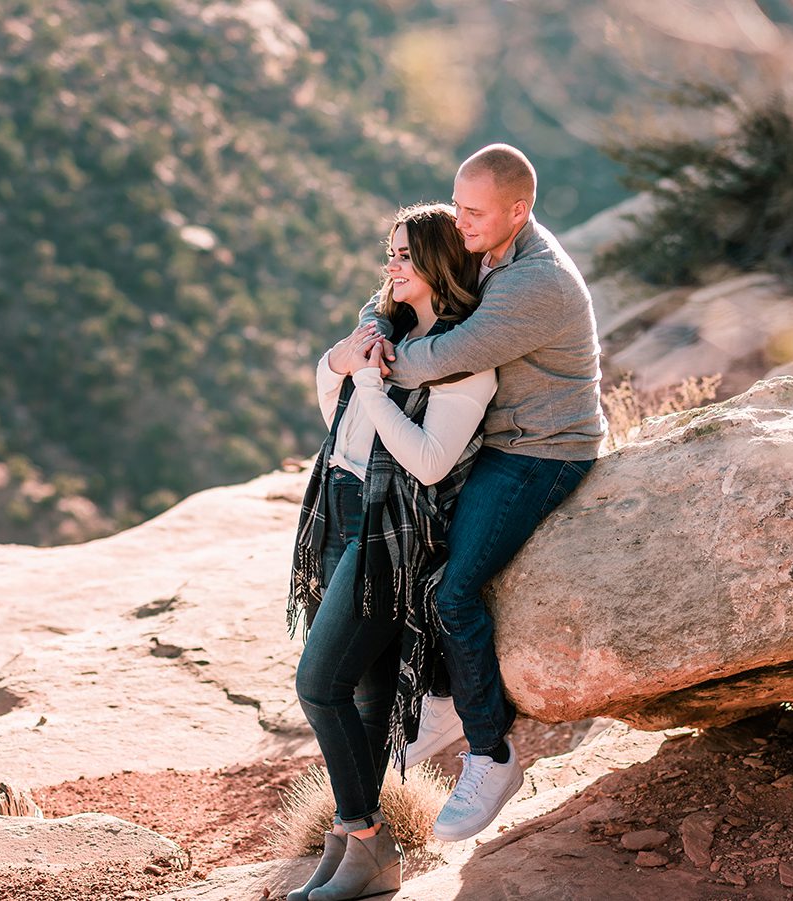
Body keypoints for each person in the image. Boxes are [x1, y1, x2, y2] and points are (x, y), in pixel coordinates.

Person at [361, 144, 606, 842]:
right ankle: (439, 698)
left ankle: (491, 753)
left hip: (540, 449)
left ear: (517, 211)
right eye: (458, 204)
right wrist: (378, 326)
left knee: (456, 590)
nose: (459, 223)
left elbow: (447, 356)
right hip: (491, 438)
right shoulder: (484, 245)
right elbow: (405, 281)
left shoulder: (537, 281)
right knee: (417, 548)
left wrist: (376, 365)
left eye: (473, 212)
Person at [286, 203, 497, 901]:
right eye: (390, 252)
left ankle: (368, 835)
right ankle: (351, 847)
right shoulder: (387, 328)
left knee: (319, 684)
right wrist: (339, 362)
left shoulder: (463, 360)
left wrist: (371, 382)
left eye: (404, 254)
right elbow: (338, 418)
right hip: (345, 505)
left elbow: (430, 462)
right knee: (368, 691)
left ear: (436, 262)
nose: (391, 265)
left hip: (394, 533)